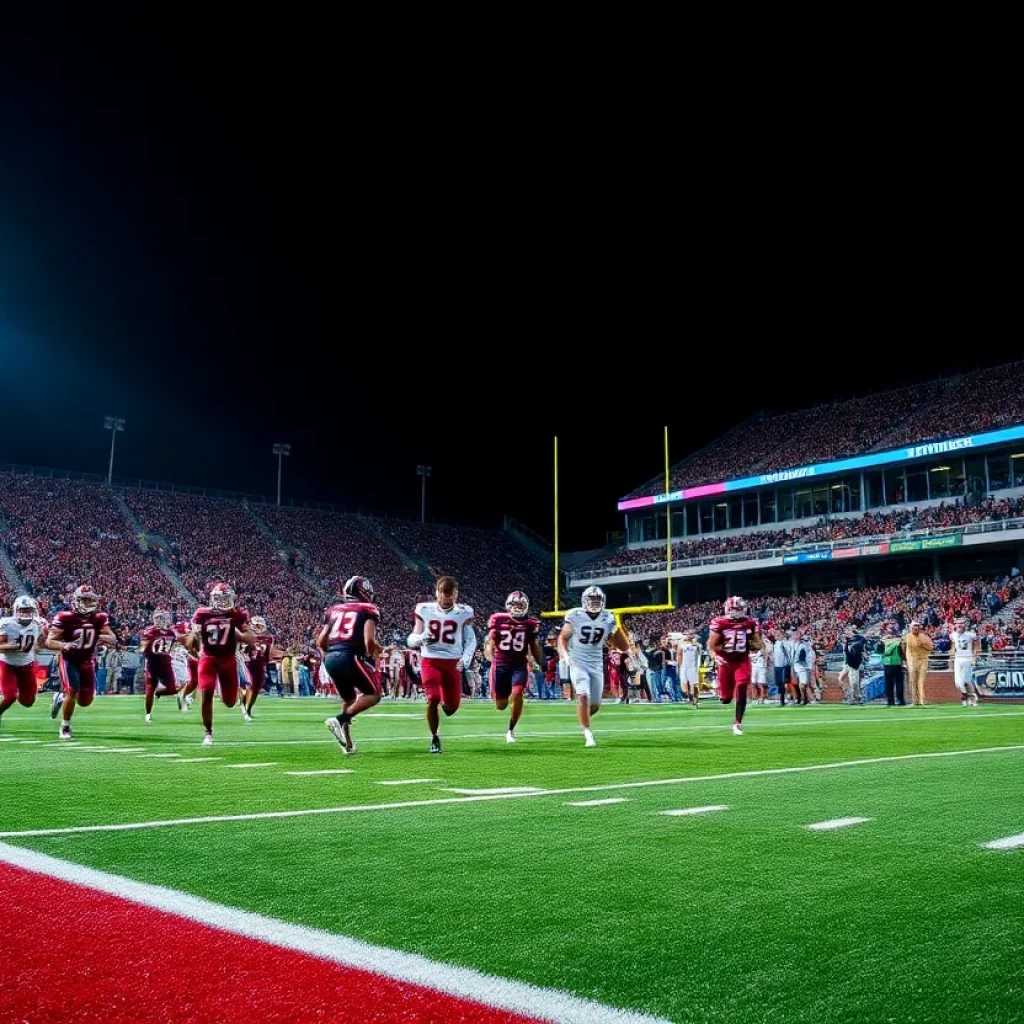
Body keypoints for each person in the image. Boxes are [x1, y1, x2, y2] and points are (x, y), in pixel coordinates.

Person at [408, 576, 476, 754]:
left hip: (453, 662)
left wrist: (466, 658)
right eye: (444, 596)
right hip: (430, 659)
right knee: (433, 698)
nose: (447, 600)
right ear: (437, 593)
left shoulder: (464, 612)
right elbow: (411, 639)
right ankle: (435, 737)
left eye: (451, 596)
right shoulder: (424, 609)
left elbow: (471, 639)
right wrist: (422, 638)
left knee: (452, 707)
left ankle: (444, 709)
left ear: (456, 594)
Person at [557, 586, 630, 747]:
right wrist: (565, 655)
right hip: (577, 661)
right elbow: (562, 637)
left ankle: (582, 718)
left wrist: (617, 628)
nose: (594, 603)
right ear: (584, 601)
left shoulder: (608, 617)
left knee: (595, 705)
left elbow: (623, 646)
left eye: (597, 600)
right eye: (591, 600)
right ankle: (588, 734)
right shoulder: (575, 615)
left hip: (596, 663)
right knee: (582, 695)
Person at [318, 576, 382, 754]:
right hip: (349, 656)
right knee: (374, 694)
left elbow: (321, 641)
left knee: (349, 699)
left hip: (331, 657)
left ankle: (347, 744)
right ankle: (340, 719)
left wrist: (331, 656)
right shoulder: (368, 609)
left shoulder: (334, 609)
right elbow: (369, 640)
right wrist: (374, 650)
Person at [45, 585, 117, 738]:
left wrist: (100, 637)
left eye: (90, 599)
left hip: (87, 660)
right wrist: (65, 645)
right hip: (69, 659)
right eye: (84, 599)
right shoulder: (65, 617)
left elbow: (113, 639)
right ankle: (65, 726)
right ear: (76, 600)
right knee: (72, 690)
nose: (88, 603)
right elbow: (49, 641)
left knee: (85, 701)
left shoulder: (99, 618)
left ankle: (61, 698)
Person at [190, 583, 255, 745]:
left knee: (230, 701)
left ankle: (226, 700)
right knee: (207, 692)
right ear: (212, 599)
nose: (222, 602)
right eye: (219, 599)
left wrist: (243, 634)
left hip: (228, 659)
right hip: (209, 658)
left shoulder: (238, 615)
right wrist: (195, 637)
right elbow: (193, 636)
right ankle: (208, 732)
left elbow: (250, 637)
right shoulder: (202, 613)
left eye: (226, 599)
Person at [484, 590, 542, 744]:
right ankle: (506, 695)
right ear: (508, 606)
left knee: (517, 694)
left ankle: (511, 730)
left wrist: (539, 661)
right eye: (514, 605)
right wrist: (490, 653)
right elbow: (491, 641)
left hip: (518, 665)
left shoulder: (531, 623)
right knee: (501, 705)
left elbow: (533, 645)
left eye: (520, 605)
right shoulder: (498, 619)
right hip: (501, 664)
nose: (517, 608)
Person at [707, 596, 762, 736]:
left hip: (742, 661)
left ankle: (737, 723)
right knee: (726, 698)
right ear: (727, 609)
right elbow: (711, 646)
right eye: (733, 608)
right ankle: (724, 696)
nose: (735, 611)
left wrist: (757, 643)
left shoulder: (750, 623)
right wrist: (716, 656)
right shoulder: (719, 623)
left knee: (742, 685)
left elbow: (756, 644)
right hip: (725, 662)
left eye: (738, 609)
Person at [0, 595, 46, 728]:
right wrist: (12, 646)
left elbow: (39, 643)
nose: (26, 613)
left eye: (28, 610)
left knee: (28, 701)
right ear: (16, 610)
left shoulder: (37, 623)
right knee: (10, 697)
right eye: (23, 610)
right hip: (8, 665)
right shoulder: (6, 624)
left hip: (26, 665)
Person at [140, 608, 186, 722]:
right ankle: (148, 714)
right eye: (159, 618)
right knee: (150, 688)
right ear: (155, 619)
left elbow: (176, 642)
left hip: (166, 663)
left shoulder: (171, 632)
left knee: (173, 689)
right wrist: (145, 647)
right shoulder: (150, 631)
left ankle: (159, 692)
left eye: (164, 617)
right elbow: (143, 647)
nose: (162, 620)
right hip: (152, 663)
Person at [241, 616, 283, 722]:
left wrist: (268, 663)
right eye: (257, 626)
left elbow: (269, 655)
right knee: (248, 687)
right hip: (248, 664)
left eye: (261, 626)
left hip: (260, 665)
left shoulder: (268, 638)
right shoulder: (245, 635)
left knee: (256, 689)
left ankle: (248, 709)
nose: (259, 628)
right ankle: (244, 708)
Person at [949, 617, 981, 707]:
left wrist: (976, 656)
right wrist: (951, 657)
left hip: (967, 658)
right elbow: (953, 647)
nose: (959, 626)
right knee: (958, 682)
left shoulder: (971, 635)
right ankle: (969, 696)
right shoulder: (953, 635)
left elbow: (977, 645)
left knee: (967, 681)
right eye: (958, 624)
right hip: (958, 659)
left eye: (961, 624)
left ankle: (969, 698)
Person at [904, 620, 934, 706]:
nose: (915, 629)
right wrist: (904, 659)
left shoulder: (924, 637)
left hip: (923, 660)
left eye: (917, 627)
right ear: (911, 628)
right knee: (912, 680)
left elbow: (931, 648)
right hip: (912, 660)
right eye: (914, 628)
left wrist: (923, 645)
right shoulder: (907, 637)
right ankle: (914, 701)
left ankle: (922, 700)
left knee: (921, 681)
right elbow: (903, 647)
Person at [877, 625, 907, 706]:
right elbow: (902, 653)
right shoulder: (899, 641)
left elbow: (879, 651)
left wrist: (881, 641)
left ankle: (890, 701)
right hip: (897, 664)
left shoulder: (883, 642)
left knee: (889, 684)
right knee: (899, 684)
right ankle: (901, 701)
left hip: (887, 664)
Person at [843, 626, 868, 704]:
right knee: (853, 682)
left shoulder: (858, 638)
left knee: (855, 682)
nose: (845, 633)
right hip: (850, 663)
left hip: (856, 663)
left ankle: (855, 698)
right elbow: (846, 651)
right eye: (845, 632)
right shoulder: (847, 641)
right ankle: (855, 698)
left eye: (847, 631)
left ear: (851, 631)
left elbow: (864, 641)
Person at [677, 632, 700, 706]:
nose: (687, 635)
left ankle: (695, 700)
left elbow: (698, 655)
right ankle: (690, 695)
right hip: (684, 667)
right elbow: (679, 655)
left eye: (689, 634)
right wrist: (680, 666)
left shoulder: (696, 645)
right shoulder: (681, 645)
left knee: (695, 684)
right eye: (686, 634)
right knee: (684, 687)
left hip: (693, 667)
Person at [771, 630, 792, 705]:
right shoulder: (775, 643)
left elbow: (788, 653)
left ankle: (789, 697)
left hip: (784, 666)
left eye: (778, 634)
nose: (776, 636)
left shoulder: (784, 643)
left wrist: (789, 663)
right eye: (776, 634)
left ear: (782, 635)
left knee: (785, 683)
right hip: (777, 666)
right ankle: (782, 699)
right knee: (779, 683)